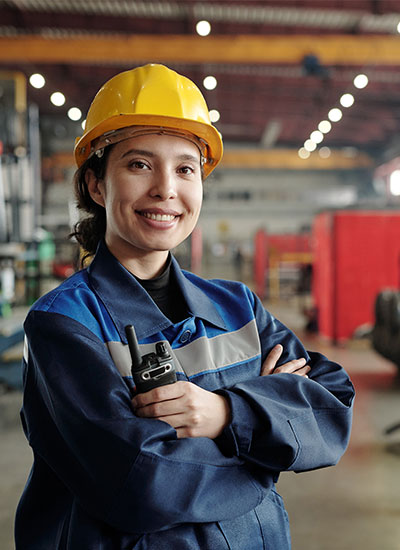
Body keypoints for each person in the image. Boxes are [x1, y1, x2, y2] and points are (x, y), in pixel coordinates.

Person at [15, 64, 354, 550]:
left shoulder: (238, 306)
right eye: (139, 164)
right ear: (95, 185)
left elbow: (333, 408)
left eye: (185, 168)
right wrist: (269, 447)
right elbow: (142, 484)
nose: (166, 189)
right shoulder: (64, 324)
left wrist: (226, 414)